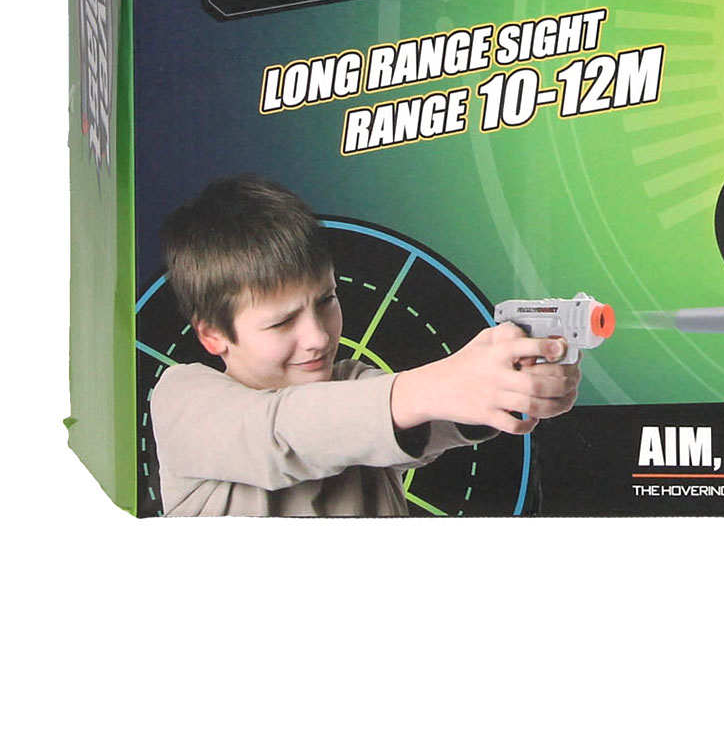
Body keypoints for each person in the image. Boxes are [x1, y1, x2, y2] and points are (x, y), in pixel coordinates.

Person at [149, 175, 579, 516]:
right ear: (212, 335)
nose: (318, 338)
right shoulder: (182, 400)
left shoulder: (353, 382)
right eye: (281, 322)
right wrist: (436, 387)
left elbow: (426, 423)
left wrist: (511, 386)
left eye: (326, 300)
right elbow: (282, 433)